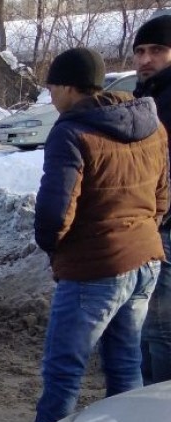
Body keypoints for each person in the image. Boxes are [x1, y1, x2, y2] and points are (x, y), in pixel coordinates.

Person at [0, 48, 168, 422]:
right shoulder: (151, 125)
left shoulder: (72, 133)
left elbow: (54, 213)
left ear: (68, 87)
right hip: (145, 259)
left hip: (94, 268)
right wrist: (141, 231)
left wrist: (58, 247)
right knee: (125, 365)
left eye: (52, 88)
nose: (50, 97)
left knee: (64, 367)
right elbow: (162, 196)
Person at [133, 14, 171, 384]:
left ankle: (158, 413)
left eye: (157, 50)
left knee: (160, 328)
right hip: (152, 227)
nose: (146, 59)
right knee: (147, 327)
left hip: (165, 227)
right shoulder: (148, 96)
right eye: (140, 51)